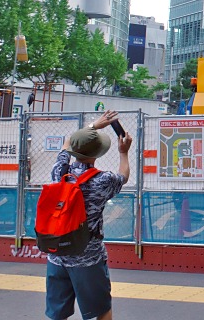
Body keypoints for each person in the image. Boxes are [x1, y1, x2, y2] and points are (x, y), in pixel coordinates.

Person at [45, 110, 132, 320]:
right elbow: (124, 176)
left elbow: (68, 142)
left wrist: (94, 126)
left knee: (55, 313)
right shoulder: (103, 180)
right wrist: (123, 152)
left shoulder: (60, 171)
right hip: (88, 256)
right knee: (100, 311)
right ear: (97, 154)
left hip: (56, 253)